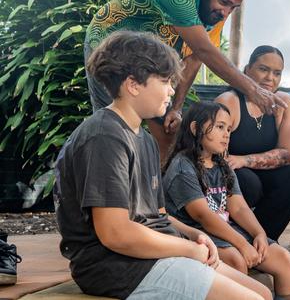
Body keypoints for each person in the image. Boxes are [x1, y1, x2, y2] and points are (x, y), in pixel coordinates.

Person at [54, 31, 270, 300]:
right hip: (116, 266)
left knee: (262, 292)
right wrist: (187, 250)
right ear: (133, 84)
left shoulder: (144, 139)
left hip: (155, 255)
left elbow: (157, 215)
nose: (172, 90)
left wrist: (194, 236)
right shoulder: (104, 136)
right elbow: (115, 233)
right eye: (166, 81)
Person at [84, 0, 286, 163]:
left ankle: (154, 190)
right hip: (108, 49)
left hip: (148, 64)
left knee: (168, 132)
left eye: (233, 7)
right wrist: (254, 90)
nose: (226, 13)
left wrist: (177, 108)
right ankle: (107, 183)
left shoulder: (215, 14)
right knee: (115, 127)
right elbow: (203, 50)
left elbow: (194, 58)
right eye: (224, 3)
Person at [163, 101, 290, 298]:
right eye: (220, 127)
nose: (227, 134)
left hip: (224, 230)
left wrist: (259, 234)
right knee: (236, 260)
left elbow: (238, 208)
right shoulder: (183, 167)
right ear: (195, 128)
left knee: (283, 258)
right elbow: (203, 216)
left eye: (228, 128)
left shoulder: (222, 166)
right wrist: (243, 245)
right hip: (198, 234)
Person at [215, 46, 290, 241]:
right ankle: (232, 236)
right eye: (263, 69)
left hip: (251, 168)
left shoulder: (284, 103)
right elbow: (214, 156)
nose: (270, 78)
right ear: (247, 70)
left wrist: (245, 160)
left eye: (277, 73)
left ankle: (264, 239)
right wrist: (237, 163)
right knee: (247, 181)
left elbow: (288, 154)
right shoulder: (229, 101)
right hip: (229, 177)